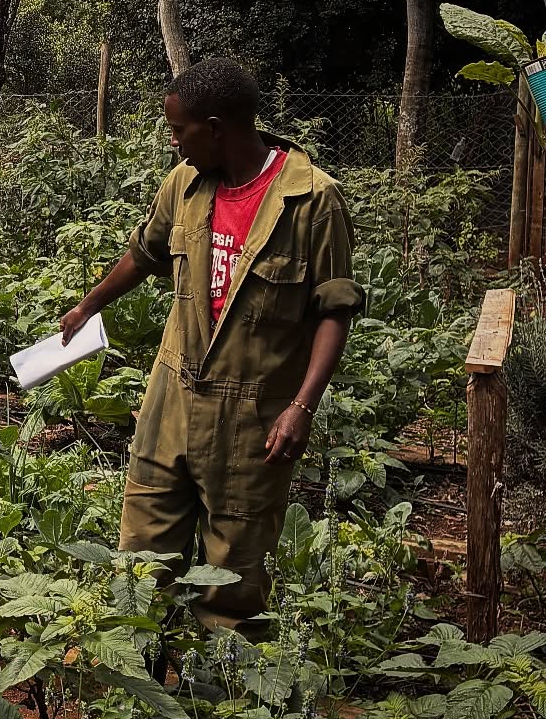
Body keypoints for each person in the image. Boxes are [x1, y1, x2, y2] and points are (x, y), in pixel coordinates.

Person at [59, 58, 362, 638]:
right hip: (171, 398)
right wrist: (88, 305)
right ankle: (142, 699)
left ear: (217, 127)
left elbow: (334, 311)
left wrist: (302, 407)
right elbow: (145, 253)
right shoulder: (185, 185)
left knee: (233, 578)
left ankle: (219, 706)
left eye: (180, 131)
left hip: (253, 417)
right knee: (142, 560)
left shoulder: (312, 202)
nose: (174, 144)